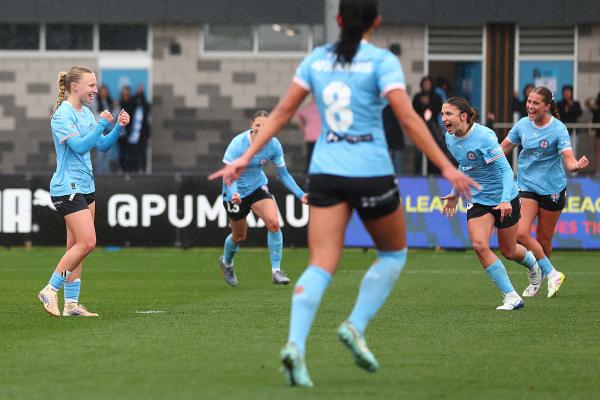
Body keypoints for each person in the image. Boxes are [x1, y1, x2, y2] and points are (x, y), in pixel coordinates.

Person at [210, 0, 476, 387]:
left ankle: (296, 346)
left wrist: (245, 158)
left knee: (321, 263)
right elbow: (407, 118)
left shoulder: (316, 60)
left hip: (327, 173)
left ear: (337, 21)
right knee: (393, 253)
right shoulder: (382, 61)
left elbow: (282, 113)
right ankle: (355, 325)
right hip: (370, 172)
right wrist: (447, 167)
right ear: (377, 23)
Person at [37, 66, 130, 317]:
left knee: (75, 247)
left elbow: (101, 146)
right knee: (88, 242)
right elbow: (78, 147)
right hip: (67, 187)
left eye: (95, 85)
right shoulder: (61, 115)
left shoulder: (87, 113)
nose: (95, 89)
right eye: (90, 85)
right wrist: (101, 124)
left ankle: (71, 305)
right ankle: (49, 289)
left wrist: (117, 128)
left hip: (86, 186)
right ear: (74, 86)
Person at [441, 97, 538, 309]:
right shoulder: (449, 138)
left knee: (509, 251)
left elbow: (505, 170)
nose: (444, 119)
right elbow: (464, 166)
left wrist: (505, 200)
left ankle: (532, 264)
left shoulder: (484, 137)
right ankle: (511, 296)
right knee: (479, 244)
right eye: (442, 114)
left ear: (463, 116)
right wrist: (455, 193)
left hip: (505, 196)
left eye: (448, 114)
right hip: (477, 198)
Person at [500, 86, 589, 297]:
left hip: (553, 189)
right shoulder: (522, 125)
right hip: (527, 186)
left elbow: (568, 158)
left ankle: (544, 280)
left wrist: (575, 165)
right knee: (521, 234)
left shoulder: (558, 129)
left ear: (547, 106)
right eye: (529, 101)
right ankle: (550, 274)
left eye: (536, 103)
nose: (530, 106)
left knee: (544, 240)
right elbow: (501, 148)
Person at [219, 110, 308, 287]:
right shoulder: (238, 144)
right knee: (239, 236)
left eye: (265, 125)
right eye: (258, 125)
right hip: (234, 192)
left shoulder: (273, 145)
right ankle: (227, 263)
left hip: (257, 186)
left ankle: (276, 271)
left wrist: (300, 194)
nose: (261, 128)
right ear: (252, 126)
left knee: (274, 223)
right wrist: (234, 193)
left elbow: (283, 174)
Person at [412, 76, 443, 174]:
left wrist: (428, 104)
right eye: (425, 85)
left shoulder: (436, 97)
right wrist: (422, 104)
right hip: (420, 127)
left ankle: (432, 173)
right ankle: (418, 173)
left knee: (432, 151)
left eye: (428, 84)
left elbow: (438, 109)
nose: (426, 86)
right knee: (419, 153)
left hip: (432, 127)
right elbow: (414, 109)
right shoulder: (418, 97)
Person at [93, 84, 117, 174]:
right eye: (102, 91)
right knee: (100, 152)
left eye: (105, 91)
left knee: (109, 152)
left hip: (109, 129)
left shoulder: (110, 101)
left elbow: (113, 115)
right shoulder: (96, 101)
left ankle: (106, 172)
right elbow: (95, 114)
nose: (104, 93)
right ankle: (99, 172)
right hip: (100, 130)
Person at [294, 97, 321, 172]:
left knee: (310, 154)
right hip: (321, 136)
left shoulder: (307, 109)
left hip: (310, 136)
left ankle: (308, 170)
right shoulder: (322, 109)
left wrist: (303, 128)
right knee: (320, 154)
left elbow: (298, 115)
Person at [585, 93, 600, 176]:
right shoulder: (596, 105)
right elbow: (587, 104)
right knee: (597, 151)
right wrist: (592, 103)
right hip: (598, 130)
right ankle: (598, 171)